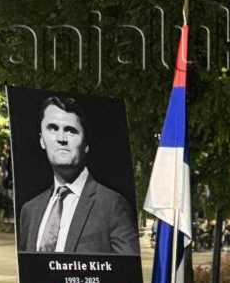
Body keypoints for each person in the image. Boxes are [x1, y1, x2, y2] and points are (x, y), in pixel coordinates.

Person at [18, 96, 140, 255]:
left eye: (71, 130)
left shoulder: (112, 205)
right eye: (53, 128)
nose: (61, 139)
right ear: (42, 140)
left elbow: (126, 268)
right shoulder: (29, 210)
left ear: (86, 144)